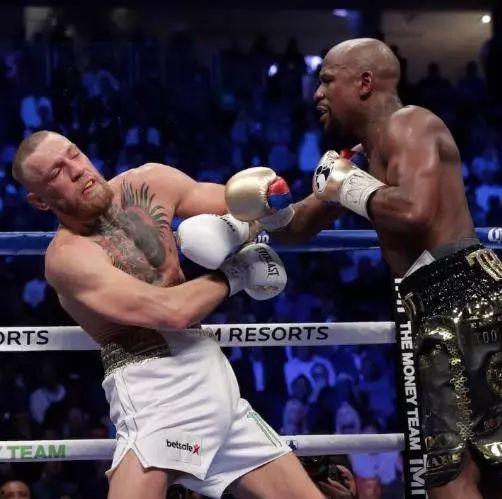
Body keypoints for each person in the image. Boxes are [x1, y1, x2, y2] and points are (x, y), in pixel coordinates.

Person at [223, 38, 502, 498]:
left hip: (462, 295)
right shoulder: (359, 157)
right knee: (457, 470)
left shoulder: (411, 124)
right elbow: (300, 227)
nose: (317, 93)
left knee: (453, 476)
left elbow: (414, 210)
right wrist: (266, 210)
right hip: (432, 304)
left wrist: (346, 184)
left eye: (327, 80)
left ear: (365, 83)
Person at [12, 130, 324, 499]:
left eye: (74, 154)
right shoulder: (68, 257)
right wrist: (239, 272)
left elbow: (247, 206)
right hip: (155, 388)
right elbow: (170, 311)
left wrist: (288, 201)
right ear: (40, 201)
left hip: (213, 375)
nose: (76, 170)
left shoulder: (150, 181)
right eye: (56, 173)